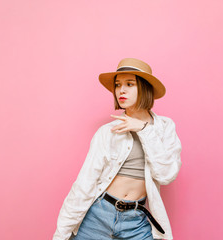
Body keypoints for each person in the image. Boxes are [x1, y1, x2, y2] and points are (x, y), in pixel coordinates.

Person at [53, 58, 182, 240]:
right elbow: (84, 184)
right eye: (118, 84)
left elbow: (166, 174)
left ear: (145, 88)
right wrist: (61, 234)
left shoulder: (164, 128)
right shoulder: (107, 132)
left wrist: (143, 130)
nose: (121, 90)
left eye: (130, 84)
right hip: (98, 216)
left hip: (136, 221)